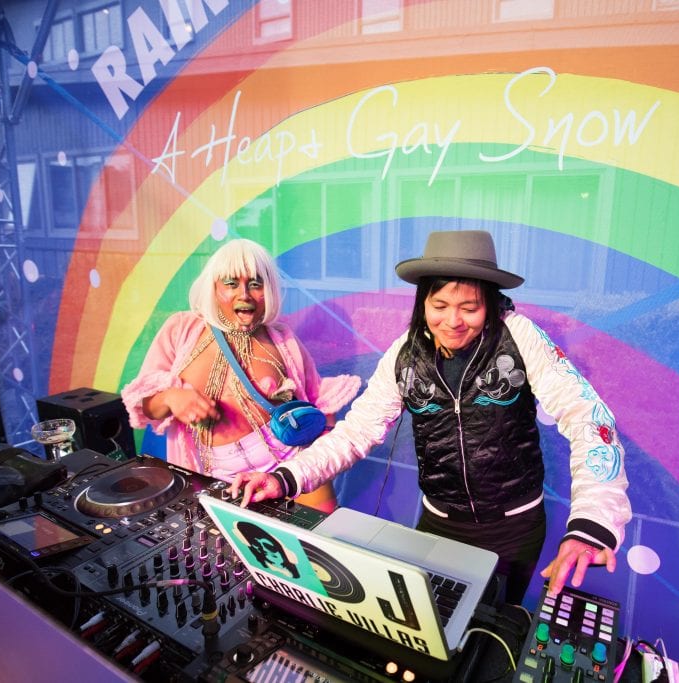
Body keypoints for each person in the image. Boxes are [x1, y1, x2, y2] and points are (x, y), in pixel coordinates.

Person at [231, 230, 631, 604]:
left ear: (490, 303)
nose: (452, 321)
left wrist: (592, 523)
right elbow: (356, 432)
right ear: (423, 302)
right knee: (433, 625)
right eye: (439, 306)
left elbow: (589, 419)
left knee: (489, 632)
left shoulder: (520, 335)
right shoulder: (406, 352)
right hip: (439, 524)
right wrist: (286, 476)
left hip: (514, 528)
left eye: (469, 308)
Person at [121, 238, 361, 513]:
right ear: (213, 287)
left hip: (284, 467)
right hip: (211, 477)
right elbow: (144, 405)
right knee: (223, 549)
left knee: (317, 543)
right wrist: (172, 398)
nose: (244, 294)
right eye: (231, 283)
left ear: (268, 290)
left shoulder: (282, 339)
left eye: (255, 284)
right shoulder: (182, 330)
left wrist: (321, 454)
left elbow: (319, 402)